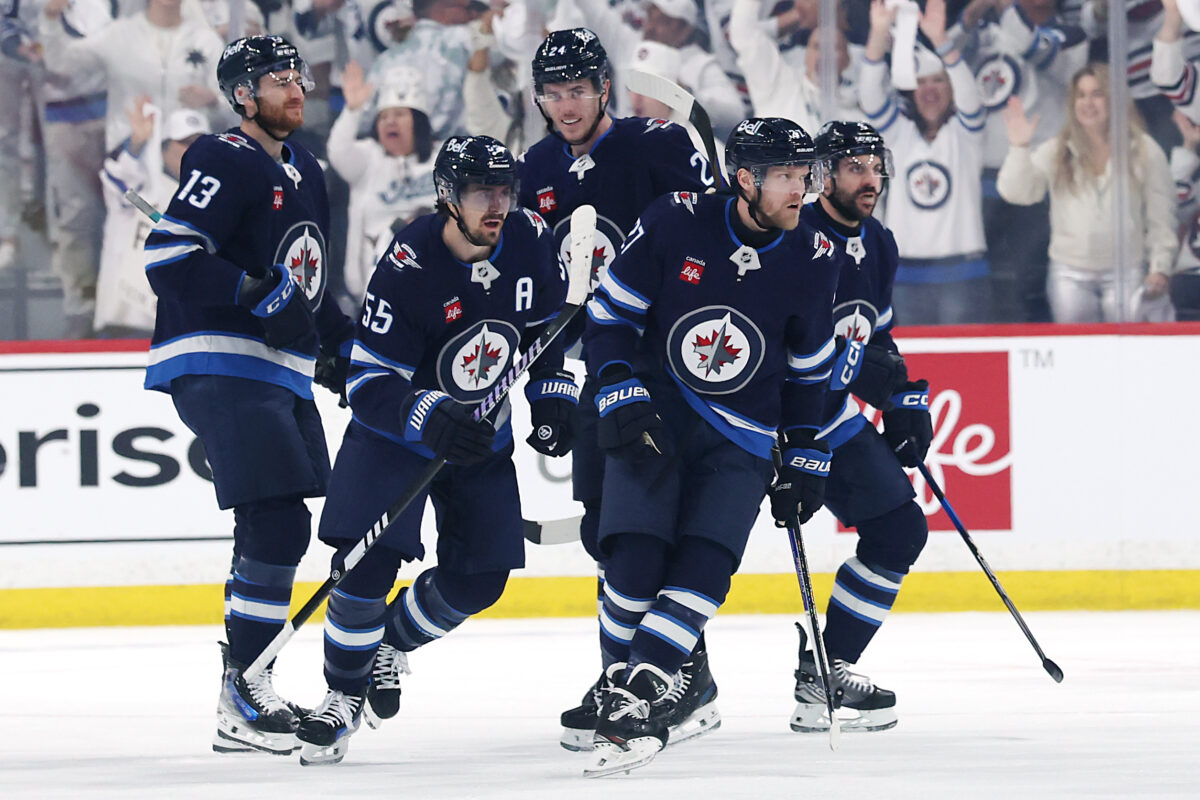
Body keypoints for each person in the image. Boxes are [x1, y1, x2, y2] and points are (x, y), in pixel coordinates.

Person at [294, 135, 574, 766]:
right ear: (448, 195)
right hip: (394, 437)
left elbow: (547, 333)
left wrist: (554, 396)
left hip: (481, 437)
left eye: (504, 190)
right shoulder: (408, 265)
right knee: (364, 566)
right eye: (482, 191)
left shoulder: (531, 239)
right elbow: (369, 381)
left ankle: (390, 643)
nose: (497, 203)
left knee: (481, 579)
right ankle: (343, 695)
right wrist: (429, 413)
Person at [578, 117, 839, 777]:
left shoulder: (813, 256)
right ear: (744, 178)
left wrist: (806, 451)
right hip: (656, 413)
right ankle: (623, 681)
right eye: (786, 177)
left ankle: (639, 691)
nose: (800, 191)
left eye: (804, 177)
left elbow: (809, 374)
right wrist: (615, 385)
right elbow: (609, 316)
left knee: (705, 565)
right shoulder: (677, 221)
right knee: (633, 564)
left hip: (743, 437)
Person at [141, 34, 356, 755]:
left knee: (276, 525)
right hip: (218, 355)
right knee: (276, 521)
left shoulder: (312, 173)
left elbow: (310, 284)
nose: (295, 90)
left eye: (298, 78)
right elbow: (169, 257)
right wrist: (248, 289)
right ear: (242, 94)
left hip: (276, 366)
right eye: (276, 80)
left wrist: (344, 349)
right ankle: (244, 688)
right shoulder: (222, 157)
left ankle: (245, 684)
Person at [514, 27, 716, 753]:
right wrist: (549, 376)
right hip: (599, 366)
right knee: (606, 532)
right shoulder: (534, 166)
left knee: (643, 532)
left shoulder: (657, 146)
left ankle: (651, 677)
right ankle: (669, 675)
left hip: (663, 364)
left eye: (578, 90)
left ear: (604, 88)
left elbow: (707, 243)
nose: (565, 106)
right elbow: (535, 284)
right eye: (553, 93)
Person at [789, 119, 932, 734]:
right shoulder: (796, 237)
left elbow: (874, 339)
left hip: (830, 417)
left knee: (900, 529)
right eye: (854, 167)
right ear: (823, 175)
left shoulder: (878, 242)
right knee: (698, 551)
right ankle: (660, 678)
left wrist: (899, 397)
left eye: (874, 165)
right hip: (757, 422)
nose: (869, 178)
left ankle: (826, 669)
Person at [997, 63, 1177, 322]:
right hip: (1069, 275)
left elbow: (1162, 217)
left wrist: (1160, 267)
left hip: (1126, 272)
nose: (1087, 103)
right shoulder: (1058, 149)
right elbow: (1018, 193)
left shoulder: (1145, 150)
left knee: (1126, 355)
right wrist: (1019, 147)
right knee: (1077, 356)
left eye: (1097, 94)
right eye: (1081, 95)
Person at [859, 0, 989, 325]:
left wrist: (941, 41)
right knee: (913, 371)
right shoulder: (897, 135)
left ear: (952, 87)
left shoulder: (967, 134)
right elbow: (870, 95)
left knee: (962, 370)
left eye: (939, 81)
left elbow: (971, 97)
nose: (930, 89)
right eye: (923, 82)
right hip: (905, 275)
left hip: (963, 273)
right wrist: (878, 34)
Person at [327, 62, 437, 306]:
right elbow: (338, 151)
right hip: (374, 285)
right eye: (383, 117)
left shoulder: (442, 160)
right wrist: (353, 111)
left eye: (399, 114)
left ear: (418, 121)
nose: (390, 122)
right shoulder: (369, 158)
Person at [96, 104, 211, 336]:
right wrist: (136, 143)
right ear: (163, 149)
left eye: (200, 144)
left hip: (179, 333)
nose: (193, 151)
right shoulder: (142, 193)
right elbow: (117, 178)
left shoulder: (216, 205)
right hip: (122, 327)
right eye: (184, 142)